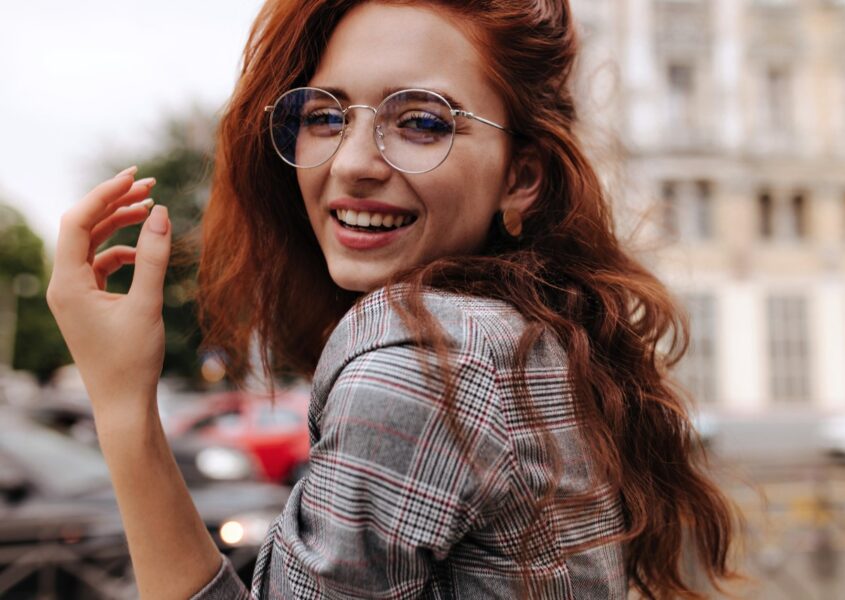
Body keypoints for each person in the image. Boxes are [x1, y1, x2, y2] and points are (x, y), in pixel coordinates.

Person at [48, 0, 740, 598]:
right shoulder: (533, 336)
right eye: (325, 114)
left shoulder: (425, 359)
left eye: (423, 123)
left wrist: (120, 403)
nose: (351, 162)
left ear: (520, 177)